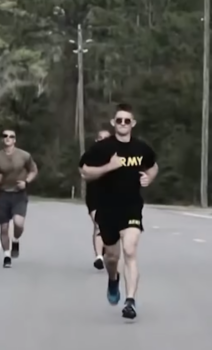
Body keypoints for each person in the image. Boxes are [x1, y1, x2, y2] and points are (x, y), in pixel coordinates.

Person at [79, 103, 158, 320]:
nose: (123, 124)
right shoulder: (102, 148)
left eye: (127, 120)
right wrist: (108, 167)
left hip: (132, 206)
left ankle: (130, 301)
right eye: (119, 120)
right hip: (107, 208)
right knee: (112, 257)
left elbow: (153, 166)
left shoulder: (141, 148)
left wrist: (148, 178)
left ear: (133, 123)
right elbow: (85, 172)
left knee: (130, 251)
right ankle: (113, 279)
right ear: (114, 123)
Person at [0, 128, 38, 268]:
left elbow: (33, 170)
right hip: (3, 194)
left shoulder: (24, 155)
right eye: (5, 136)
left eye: (11, 136)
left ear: (15, 140)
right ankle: (7, 255)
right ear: (2, 139)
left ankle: (16, 239)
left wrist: (26, 182)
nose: (8, 138)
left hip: (19, 193)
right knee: (4, 228)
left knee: (18, 223)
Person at [79, 128, 112, 270]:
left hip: (113, 196)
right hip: (94, 195)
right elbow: (83, 172)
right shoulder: (90, 154)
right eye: (101, 138)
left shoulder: (116, 155)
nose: (104, 141)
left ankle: (106, 249)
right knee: (99, 224)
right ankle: (99, 257)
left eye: (107, 139)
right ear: (97, 140)